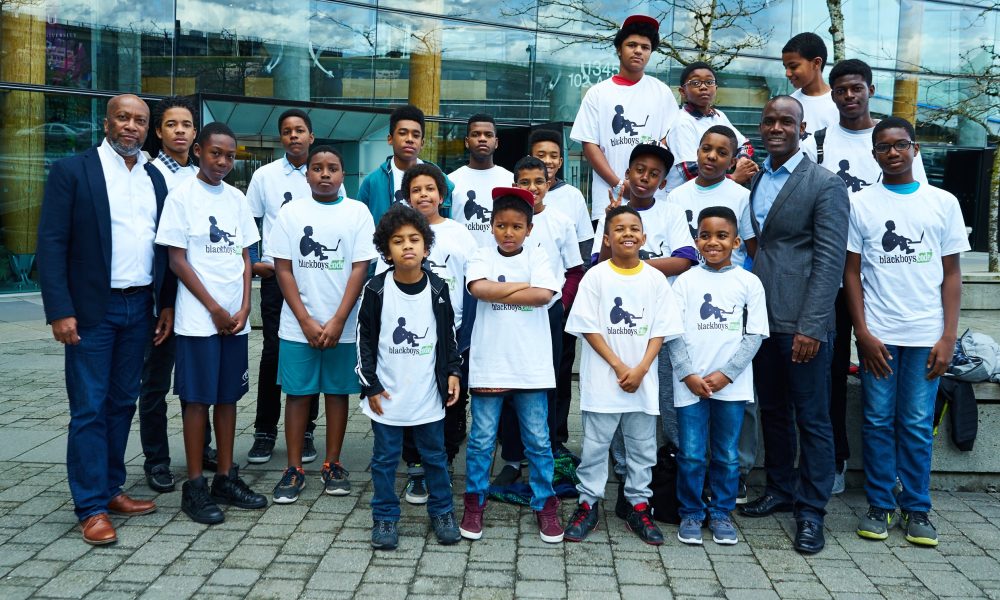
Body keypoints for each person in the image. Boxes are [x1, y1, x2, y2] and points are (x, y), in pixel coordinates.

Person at [38, 94, 175, 545]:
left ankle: (112, 488)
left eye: (140, 120)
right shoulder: (73, 171)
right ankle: (90, 506)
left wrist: (165, 304)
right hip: (92, 311)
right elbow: (51, 243)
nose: (131, 126)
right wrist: (60, 310)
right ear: (107, 122)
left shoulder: (154, 177)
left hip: (140, 308)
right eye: (123, 118)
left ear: (147, 128)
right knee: (89, 408)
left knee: (121, 403)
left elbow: (164, 246)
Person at [800, 58, 929, 495]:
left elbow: (916, 206)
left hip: (885, 279)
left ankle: (899, 472)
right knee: (832, 371)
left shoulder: (894, 141)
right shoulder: (817, 142)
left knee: (895, 378)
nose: (849, 96)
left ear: (871, 90)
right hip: (832, 278)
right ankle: (835, 459)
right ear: (832, 93)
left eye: (857, 88)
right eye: (841, 90)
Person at [844, 117, 969, 547]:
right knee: (877, 420)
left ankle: (917, 507)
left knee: (916, 423)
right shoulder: (860, 204)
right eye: (884, 146)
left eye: (901, 144)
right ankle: (880, 504)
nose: (893, 152)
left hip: (926, 335)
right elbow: (851, 272)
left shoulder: (943, 202)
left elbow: (952, 274)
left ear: (915, 148)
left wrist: (948, 337)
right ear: (874, 154)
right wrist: (862, 332)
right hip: (879, 335)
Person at [738, 96, 848, 556]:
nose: (777, 127)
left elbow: (830, 260)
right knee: (774, 411)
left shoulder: (825, 184)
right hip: (763, 320)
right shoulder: (757, 178)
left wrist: (813, 326)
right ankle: (781, 489)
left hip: (803, 322)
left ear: (802, 129)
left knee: (813, 418)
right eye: (769, 121)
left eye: (787, 121)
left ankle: (812, 510)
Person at [154, 122, 268, 524]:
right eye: (215, 153)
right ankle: (195, 486)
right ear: (199, 151)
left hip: (234, 318)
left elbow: (245, 257)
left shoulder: (236, 198)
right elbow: (177, 261)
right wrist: (214, 308)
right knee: (197, 399)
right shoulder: (181, 196)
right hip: (199, 319)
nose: (222, 161)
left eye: (230, 156)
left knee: (228, 397)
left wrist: (245, 306)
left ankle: (224, 477)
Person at [563, 205, 682, 545]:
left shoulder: (655, 279)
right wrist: (618, 365)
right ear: (606, 238)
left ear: (644, 237)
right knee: (595, 447)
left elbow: (661, 329)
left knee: (642, 448)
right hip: (604, 381)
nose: (627, 233)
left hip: (642, 382)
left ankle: (638, 505)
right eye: (619, 228)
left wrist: (642, 368)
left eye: (633, 228)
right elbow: (588, 327)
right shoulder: (596, 276)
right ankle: (588, 504)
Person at [266, 146, 377, 504]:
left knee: (337, 392)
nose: (324, 174)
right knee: (298, 394)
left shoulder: (357, 212)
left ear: (343, 174)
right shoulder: (291, 213)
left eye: (332, 168)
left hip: (342, 325)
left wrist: (339, 319)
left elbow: (360, 268)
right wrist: (304, 319)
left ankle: (333, 463)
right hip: (298, 325)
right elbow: (283, 268)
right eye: (317, 168)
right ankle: (294, 468)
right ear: (307, 174)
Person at [460, 187, 564, 544]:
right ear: (491, 226)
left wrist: (500, 287)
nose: (508, 232)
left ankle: (545, 503)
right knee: (481, 440)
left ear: (529, 229)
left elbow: (544, 295)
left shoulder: (539, 254)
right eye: (501, 225)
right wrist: (523, 286)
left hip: (531, 365)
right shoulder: (480, 253)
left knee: (538, 440)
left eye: (517, 226)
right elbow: (478, 290)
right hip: (489, 363)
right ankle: (475, 502)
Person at [357, 204, 463, 550]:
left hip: (427, 394)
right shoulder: (375, 289)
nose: (407, 246)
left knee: (435, 456)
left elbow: (448, 337)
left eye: (414, 239)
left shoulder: (438, 288)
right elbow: (363, 341)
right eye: (398, 240)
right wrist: (370, 385)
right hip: (387, 395)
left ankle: (443, 512)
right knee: (384, 459)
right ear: (386, 250)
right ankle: (385, 516)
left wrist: (453, 371)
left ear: (426, 247)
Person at [666, 124, 759, 501]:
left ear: (733, 159)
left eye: (722, 152)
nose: (712, 156)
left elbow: (751, 246)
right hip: (688, 292)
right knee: (689, 395)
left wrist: (743, 287)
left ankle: (736, 471)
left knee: (737, 394)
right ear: (697, 151)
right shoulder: (677, 195)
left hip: (730, 295)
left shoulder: (741, 195)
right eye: (707, 148)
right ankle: (691, 468)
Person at [667, 206, 768, 546]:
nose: (713, 242)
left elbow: (755, 334)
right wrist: (688, 375)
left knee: (726, 453)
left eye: (722, 236)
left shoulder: (749, 282)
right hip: (690, 386)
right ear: (696, 240)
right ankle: (691, 512)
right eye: (705, 236)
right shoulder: (685, 282)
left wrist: (726, 374)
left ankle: (722, 512)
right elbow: (673, 333)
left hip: (731, 387)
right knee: (692, 454)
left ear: (736, 242)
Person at [379, 163, 476, 500]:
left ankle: (443, 462)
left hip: (452, 334)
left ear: (442, 195)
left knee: (450, 399)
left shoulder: (460, 234)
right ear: (407, 196)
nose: (424, 195)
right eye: (416, 190)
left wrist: (466, 333)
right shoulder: (398, 232)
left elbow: (471, 284)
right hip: (411, 339)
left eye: (430, 189)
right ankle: (415, 467)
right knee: (411, 397)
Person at [139, 95, 217, 494]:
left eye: (186, 125)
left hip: (197, 298)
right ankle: (156, 459)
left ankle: (201, 448)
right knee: (155, 382)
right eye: (172, 124)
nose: (180, 131)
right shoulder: (149, 175)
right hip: (162, 296)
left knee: (194, 381)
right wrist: (164, 301)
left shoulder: (203, 176)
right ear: (159, 131)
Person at [493, 156, 584, 486]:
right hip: (510, 314)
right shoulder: (506, 221)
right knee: (509, 384)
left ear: (549, 183)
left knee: (548, 383)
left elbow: (574, 270)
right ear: (515, 184)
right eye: (525, 182)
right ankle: (512, 457)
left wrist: (561, 306)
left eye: (539, 181)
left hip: (549, 315)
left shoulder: (561, 221)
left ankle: (546, 451)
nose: (533, 188)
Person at [245, 108, 319, 465]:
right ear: (281, 137)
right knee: (274, 352)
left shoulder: (322, 171)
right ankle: (264, 431)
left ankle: (306, 432)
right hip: (276, 277)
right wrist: (254, 263)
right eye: (287, 131)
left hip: (314, 278)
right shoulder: (265, 175)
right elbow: (249, 222)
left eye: (300, 130)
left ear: (311, 136)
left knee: (311, 349)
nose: (294, 136)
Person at [570, 14, 679, 222]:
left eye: (645, 47)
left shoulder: (662, 92)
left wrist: (644, 184)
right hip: (610, 200)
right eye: (632, 45)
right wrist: (620, 184)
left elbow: (670, 138)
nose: (638, 51)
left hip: (652, 201)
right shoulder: (598, 93)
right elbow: (590, 144)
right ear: (619, 49)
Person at [528, 128, 594, 459]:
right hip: (520, 306)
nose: (549, 161)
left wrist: (565, 303)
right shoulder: (516, 194)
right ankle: (518, 442)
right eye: (541, 155)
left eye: (554, 155)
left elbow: (581, 255)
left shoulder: (572, 197)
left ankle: (557, 438)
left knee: (560, 372)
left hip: (560, 305)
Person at [664, 61, 757, 193]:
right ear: (682, 91)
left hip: (715, 191)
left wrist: (743, 159)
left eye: (709, 82)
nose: (703, 87)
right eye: (695, 83)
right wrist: (734, 178)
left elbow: (745, 144)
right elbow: (691, 172)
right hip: (685, 196)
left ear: (716, 88)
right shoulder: (682, 123)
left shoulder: (719, 116)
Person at [359, 104, 455, 226]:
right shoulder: (372, 182)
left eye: (416, 135)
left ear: (422, 143)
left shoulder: (440, 179)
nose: (410, 139)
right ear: (390, 139)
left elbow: (446, 225)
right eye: (403, 133)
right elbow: (361, 225)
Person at [451, 114, 515, 247]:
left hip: (500, 256)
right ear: (467, 142)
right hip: (460, 257)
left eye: (488, 135)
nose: (482, 139)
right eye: (476, 134)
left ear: (496, 142)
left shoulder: (511, 181)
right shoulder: (451, 181)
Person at [782, 32, 839, 134]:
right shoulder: (788, 104)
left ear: (816, 63)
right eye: (786, 67)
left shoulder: (839, 104)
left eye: (793, 66)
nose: (787, 73)